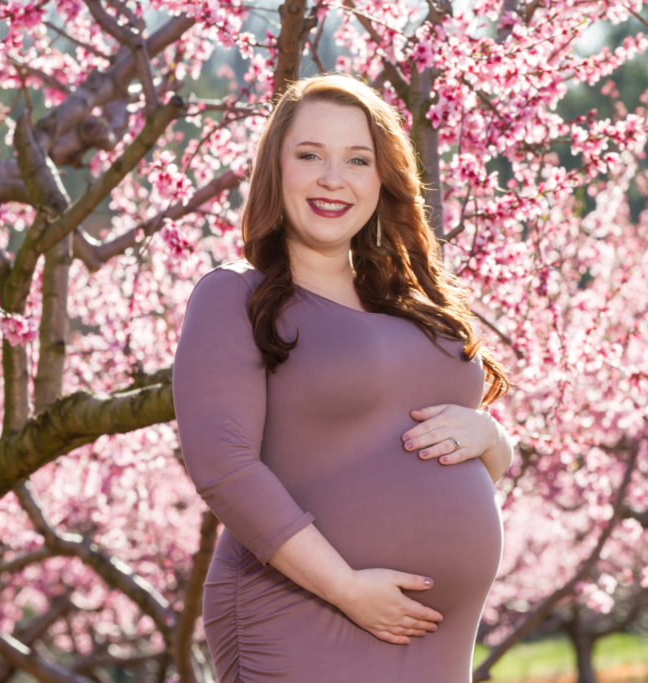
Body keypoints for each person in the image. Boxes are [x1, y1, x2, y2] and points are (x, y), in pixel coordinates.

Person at [172, 73, 513, 682]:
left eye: (357, 159)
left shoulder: (411, 302)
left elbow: (461, 445)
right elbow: (223, 466)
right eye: (310, 156)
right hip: (305, 612)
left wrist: (492, 440)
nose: (334, 179)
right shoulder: (236, 296)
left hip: (436, 638)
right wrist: (346, 587)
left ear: (381, 178)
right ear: (276, 169)